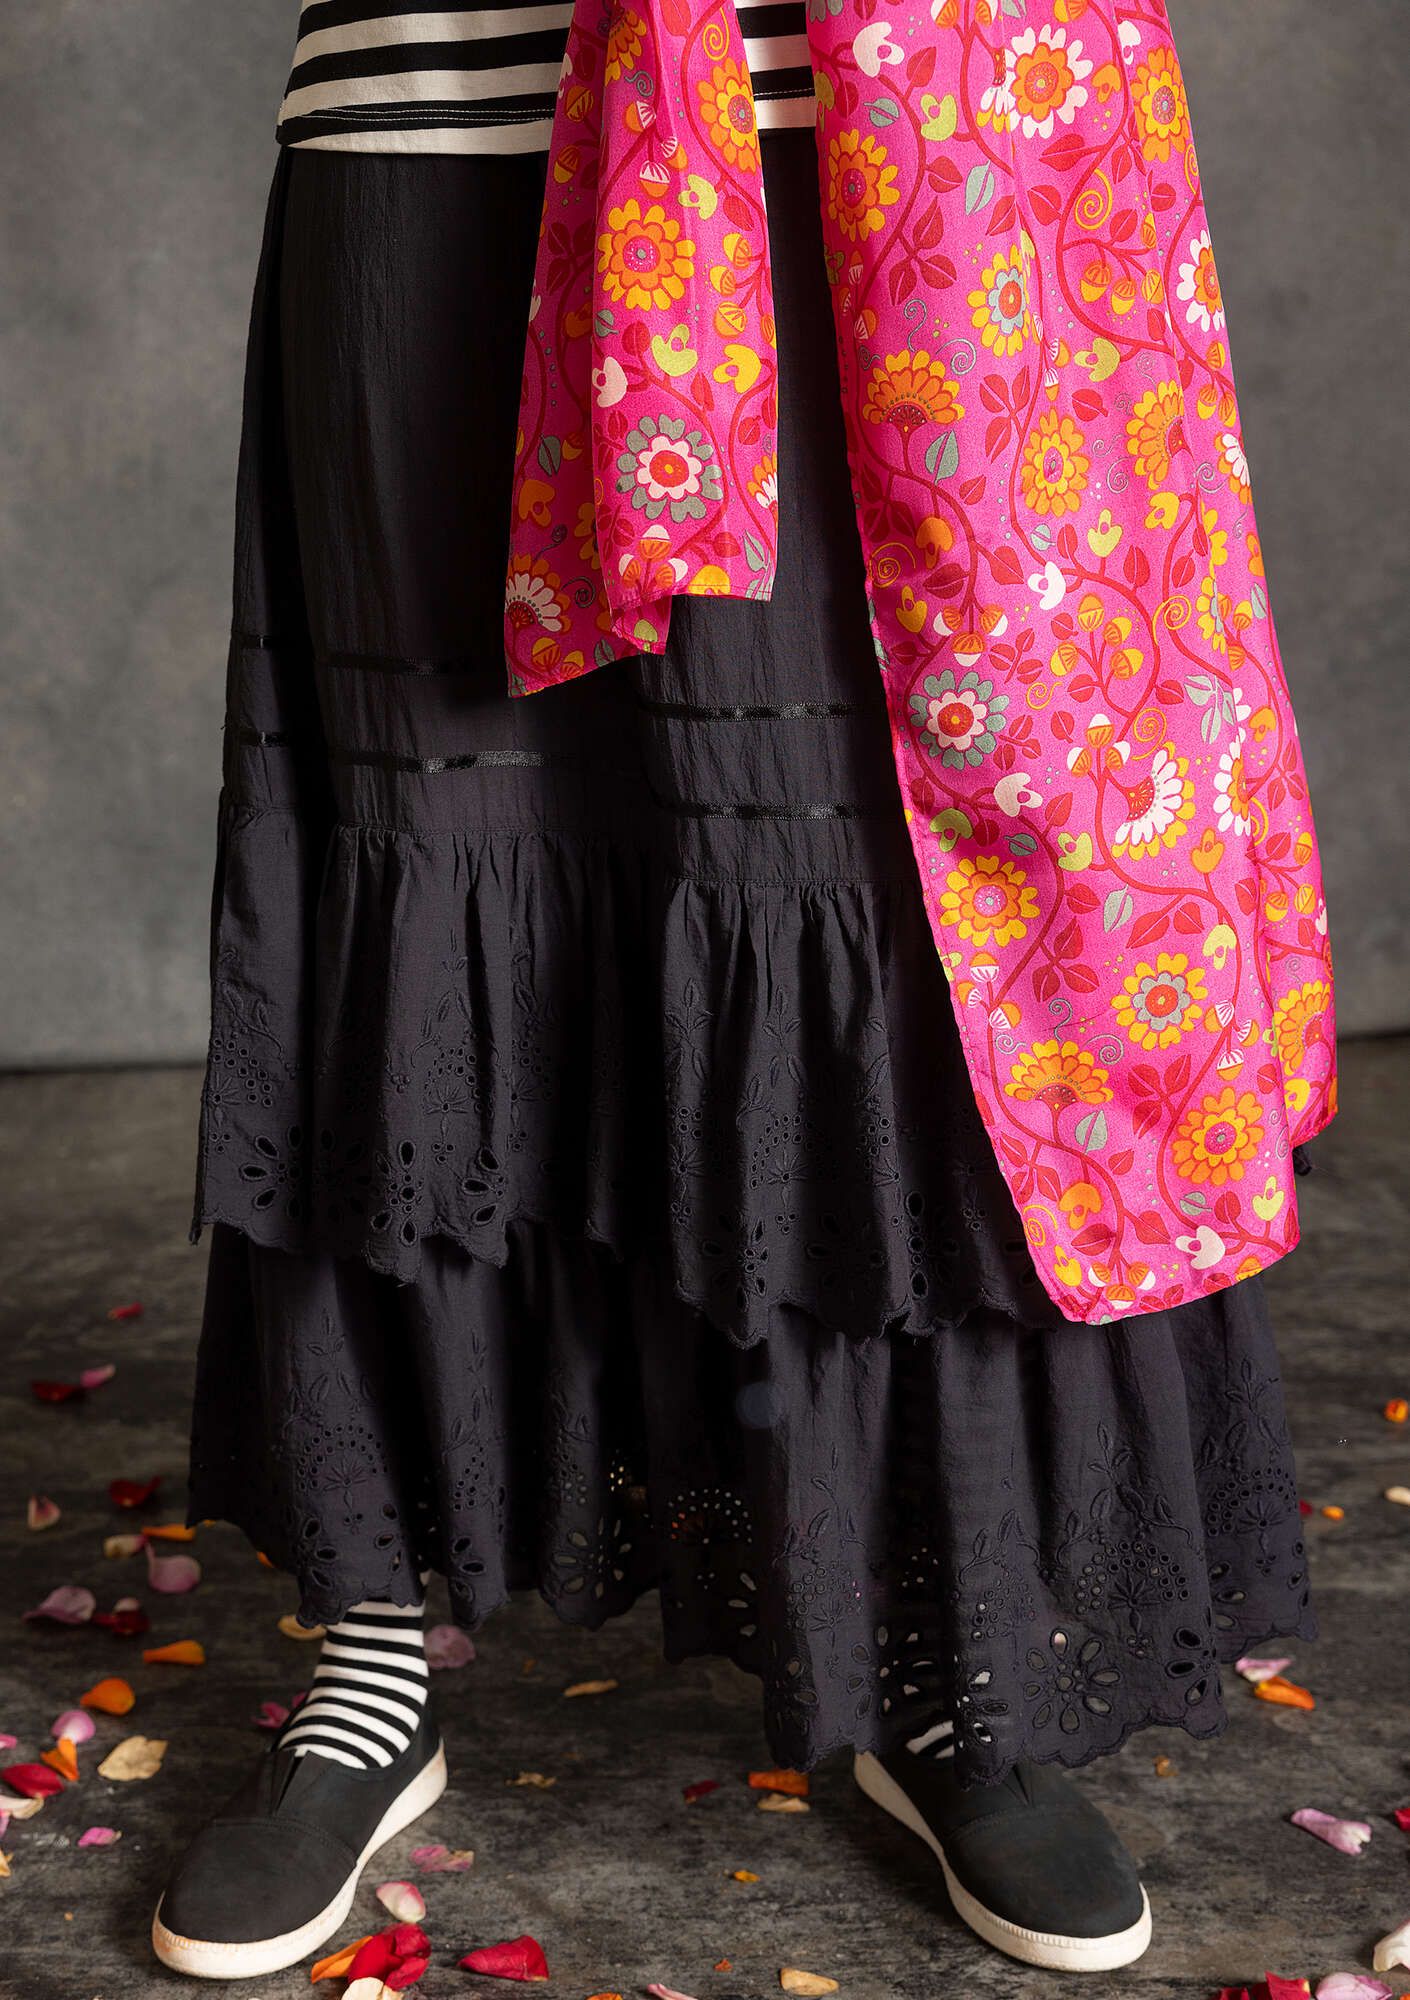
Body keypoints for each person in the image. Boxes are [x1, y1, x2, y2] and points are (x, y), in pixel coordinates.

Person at [153, 0, 1334, 1980]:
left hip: (870, 146)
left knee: (871, 889)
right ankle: (375, 1639)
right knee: (419, 851)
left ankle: (940, 1653)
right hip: (442, 116)